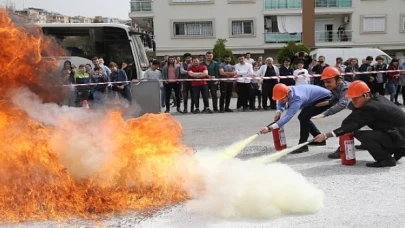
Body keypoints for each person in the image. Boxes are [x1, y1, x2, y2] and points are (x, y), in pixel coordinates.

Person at [313, 80, 405, 168]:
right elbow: (350, 120)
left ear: (366, 95)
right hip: (398, 133)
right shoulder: (376, 99)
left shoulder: (371, 108)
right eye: (352, 98)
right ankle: (398, 149)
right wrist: (344, 126)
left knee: (365, 136)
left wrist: (326, 135)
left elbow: (353, 125)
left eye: (356, 98)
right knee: (356, 130)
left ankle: (386, 160)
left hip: (399, 136)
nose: (353, 101)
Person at [259, 83, 332, 154]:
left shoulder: (297, 99)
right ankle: (319, 140)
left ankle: (303, 146)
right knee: (303, 117)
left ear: (288, 95)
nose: (280, 100)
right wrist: (279, 112)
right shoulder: (286, 90)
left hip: (326, 99)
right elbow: (281, 101)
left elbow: (288, 116)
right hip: (317, 98)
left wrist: (270, 128)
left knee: (304, 117)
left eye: (281, 99)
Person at [311, 66, 351, 159]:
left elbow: (342, 103)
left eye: (329, 81)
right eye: (324, 82)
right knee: (355, 127)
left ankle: (342, 150)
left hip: (369, 110)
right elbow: (336, 97)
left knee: (347, 125)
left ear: (339, 80)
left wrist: (324, 114)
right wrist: (327, 102)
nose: (326, 84)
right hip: (362, 110)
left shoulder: (345, 87)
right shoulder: (337, 87)